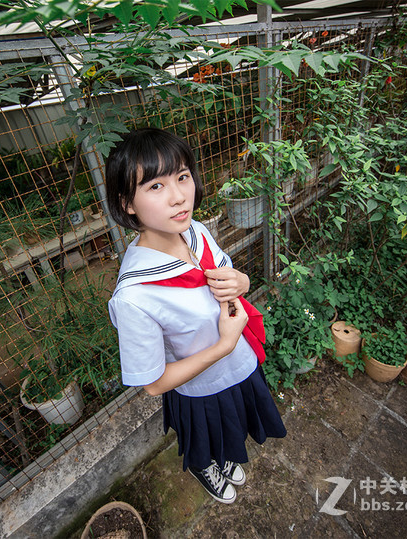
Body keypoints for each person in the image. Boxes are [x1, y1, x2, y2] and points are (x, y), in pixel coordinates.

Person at [106, 128, 287, 504]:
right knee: (207, 439)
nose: (178, 197)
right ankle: (207, 468)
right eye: (155, 187)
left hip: (239, 365)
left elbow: (229, 281)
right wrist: (223, 345)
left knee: (233, 430)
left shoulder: (196, 233)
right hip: (202, 390)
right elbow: (154, 384)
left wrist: (243, 279)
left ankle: (225, 455)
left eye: (183, 177)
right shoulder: (135, 297)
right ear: (127, 203)